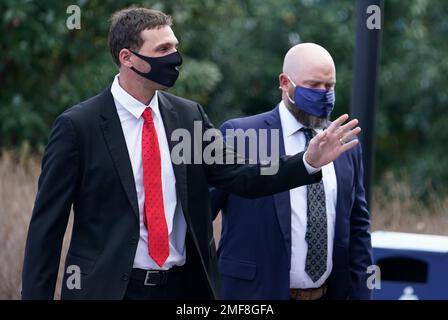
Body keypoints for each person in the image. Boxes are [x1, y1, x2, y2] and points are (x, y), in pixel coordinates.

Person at [21, 8, 360, 300]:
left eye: (176, 47)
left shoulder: (188, 117)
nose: (175, 58)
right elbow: (46, 228)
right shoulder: (79, 126)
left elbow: (240, 175)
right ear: (128, 58)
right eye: (163, 49)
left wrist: (306, 163)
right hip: (109, 289)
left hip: (182, 290)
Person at [210, 43, 372, 300]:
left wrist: (362, 293)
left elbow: (358, 227)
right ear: (285, 83)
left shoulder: (345, 146)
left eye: (329, 86)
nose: (323, 93)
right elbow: (200, 213)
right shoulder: (242, 136)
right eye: (313, 85)